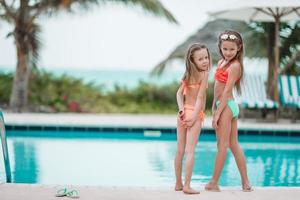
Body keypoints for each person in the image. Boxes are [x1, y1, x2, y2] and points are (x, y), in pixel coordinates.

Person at [205, 30, 252, 192]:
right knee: (233, 144)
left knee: (222, 145)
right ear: (220, 48)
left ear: (239, 48)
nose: (228, 52)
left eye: (232, 49)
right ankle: (246, 183)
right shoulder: (221, 63)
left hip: (227, 106)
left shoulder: (235, 66)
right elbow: (217, 88)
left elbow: (226, 91)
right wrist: (213, 106)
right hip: (223, 105)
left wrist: (218, 113)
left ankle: (214, 182)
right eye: (225, 49)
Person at [174, 43, 211, 194]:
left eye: (206, 57)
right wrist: (195, 116)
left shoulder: (187, 75)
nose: (205, 61)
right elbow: (200, 99)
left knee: (180, 150)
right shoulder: (204, 75)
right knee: (190, 151)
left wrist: (181, 110)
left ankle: (178, 183)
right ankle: (187, 186)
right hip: (194, 113)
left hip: (182, 114)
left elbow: (178, 94)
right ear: (193, 61)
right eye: (201, 59)